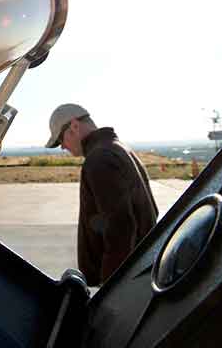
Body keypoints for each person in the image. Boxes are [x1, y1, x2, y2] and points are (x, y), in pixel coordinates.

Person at [46, 103, 159, 286]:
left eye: (61, 139)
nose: (63, 147)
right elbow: (151, 211)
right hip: (138, 273)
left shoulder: (99, 159)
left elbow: (121, 228)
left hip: (121, 284)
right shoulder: (119, 148)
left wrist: (110, 287)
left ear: (74, 126)